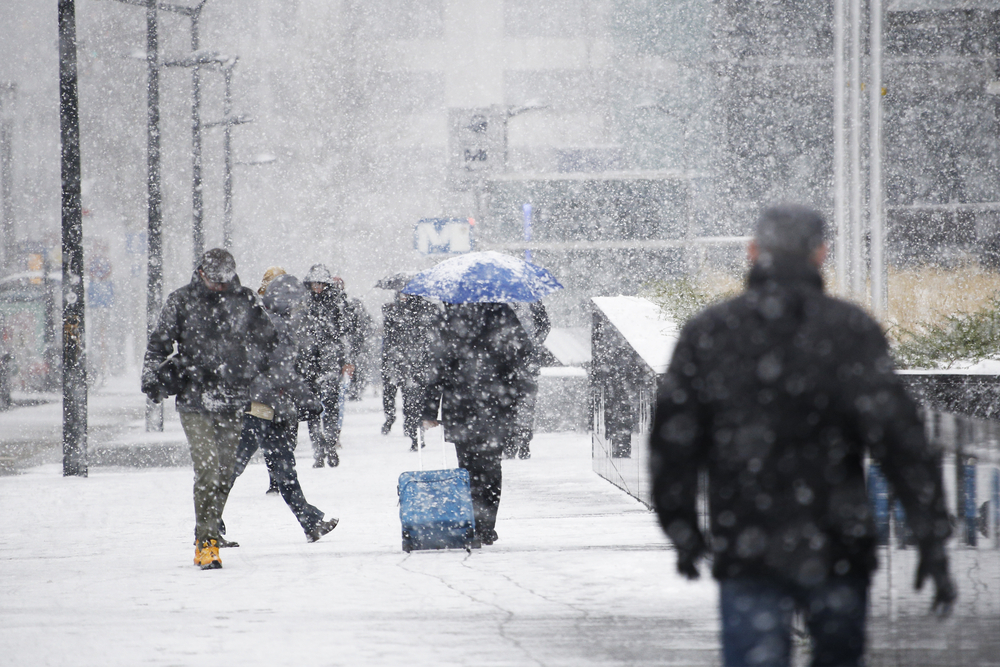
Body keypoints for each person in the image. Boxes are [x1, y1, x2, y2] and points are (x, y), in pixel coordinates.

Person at [649, 204, 956, 666]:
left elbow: (674, 441)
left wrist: (682, 528)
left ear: (753, 252)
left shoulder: (710, 332)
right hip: (837, 540)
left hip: (746, 537)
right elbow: (900, 440)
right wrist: (929, 534)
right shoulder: (851, 330)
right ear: (821, 254)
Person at [141, 248, 277, 570]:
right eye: (214, 280)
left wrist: (249, 368)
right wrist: (152, 377)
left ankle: (206, 527)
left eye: (224, 281)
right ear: (201, 272)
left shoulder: (245, 300)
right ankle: (207, 542)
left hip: (232, 399)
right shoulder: (181, 301)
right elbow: (158, 345)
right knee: (207, 469)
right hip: (194, 400)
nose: (219, 287)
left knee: (224, 473)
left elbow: (268, 341)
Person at [227, 273, 339, 543]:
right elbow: (283, 373)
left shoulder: (258, 321)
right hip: (260, 408)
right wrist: (309, 401)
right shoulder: (275, 326)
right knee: (233, 468)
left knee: (281, 468)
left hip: (266, 407)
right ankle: (208, 526)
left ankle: (310, 522)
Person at [422, 302, 532, 546]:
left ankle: (475, 524)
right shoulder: (502, 312)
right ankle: (485, 526)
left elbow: (436, 366)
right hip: (496, 403)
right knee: (490, 468)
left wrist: (430, 408)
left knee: (469, 467)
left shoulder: (449, 316)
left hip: (463, 404)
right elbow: (525, 350)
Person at [301, 264, 354, 468]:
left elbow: (345, 334)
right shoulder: (303, 304)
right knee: (313, 409)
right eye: (315, 283)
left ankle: (330, 445)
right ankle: (318, 450)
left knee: (330, 405)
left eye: (321, 283)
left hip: (331, 360)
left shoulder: (337, 304)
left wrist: (347, 360)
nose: (318, 287)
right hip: (309, 362)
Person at [382, 292, 440, 451]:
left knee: (415, 402)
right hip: (406, 364)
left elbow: (432, 337)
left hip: (419, 364)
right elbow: (389, 340)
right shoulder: (394, 313)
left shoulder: (427, 311)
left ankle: (415, 433)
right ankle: (414, 432)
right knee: (411, 401)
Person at [503, 301, 550, 459]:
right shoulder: (501, 302)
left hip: (526, 361)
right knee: (509, 402)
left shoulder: (531, 301)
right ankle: (511, 441)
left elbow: (545, 325)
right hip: (507, 360)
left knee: (525, 404)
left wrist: (533, 344)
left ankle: (522, 441)